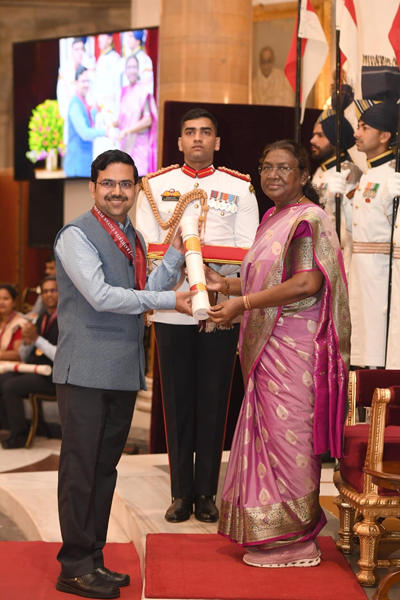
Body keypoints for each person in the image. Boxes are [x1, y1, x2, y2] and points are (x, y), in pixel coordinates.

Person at [53, 149, 194, 599]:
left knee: (104, 470)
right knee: (80, 471)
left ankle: (92, 558)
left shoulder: (133, 238)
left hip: (121, 371)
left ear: (135, 189)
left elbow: (143, 292)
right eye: (108, 183)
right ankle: (74, 565)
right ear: (93, 187)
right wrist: (171, 301)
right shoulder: (76, 235)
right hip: (84, 371)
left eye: (126, 184)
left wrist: (174, 255)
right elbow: (101, 296)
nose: (117, 192)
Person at [204, 140, 350, 568]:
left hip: (294, 349)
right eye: (267, 167)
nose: (273, 175)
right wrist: (225, 285)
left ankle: (298, 541)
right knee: (268, 436)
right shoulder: (272, 217)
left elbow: (306, 284)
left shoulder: (306, 220)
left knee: (290, 439)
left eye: (284, 168)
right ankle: (271, 533)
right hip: (269, 345)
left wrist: (243, 305)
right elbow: (265, 282)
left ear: (303, 174)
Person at [135, 108, 259, 524]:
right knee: (176, 401)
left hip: (220, 306)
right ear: (179, 141)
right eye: (190, 132)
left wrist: (211, 276)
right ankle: (179, 493)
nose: (198, 139)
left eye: (206, 132)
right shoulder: (155, 186)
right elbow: (148, 248)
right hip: (173, 304)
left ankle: (206, 492)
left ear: (217, 141)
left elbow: (249, 250)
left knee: (213, 399)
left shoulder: (238, 187)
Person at [328, 99, 398, 367]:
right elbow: (355, 229)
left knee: (377, 344)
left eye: (364, 127)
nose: (356, 133)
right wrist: (342, 200)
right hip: (359, 269)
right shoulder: (368, 175)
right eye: (358, 126)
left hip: (381, 272)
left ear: (385, 135)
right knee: (360, 340)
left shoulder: (392, 175)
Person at [0, 276, 59, 449]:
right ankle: (6, 426)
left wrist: (36, 339)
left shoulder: (66, 318)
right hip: (35, 369)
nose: (49, 295)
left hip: (54, 375)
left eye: (53, 290)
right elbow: (25, 356)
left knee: (11, 386)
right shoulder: (41, 318)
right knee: (3, 378)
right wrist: (27, 342)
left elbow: (60, 355)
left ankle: (20, 436)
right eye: (45, 291)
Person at [310, 108, 361, 273]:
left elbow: (352, 219)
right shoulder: (320, 172)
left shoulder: (349, 172)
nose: (312, 140)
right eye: (314, 134)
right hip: (320, 250)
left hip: (340, 254)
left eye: (320, 135)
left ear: (335, 140)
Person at [116, 55, 157, 176]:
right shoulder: (124, 91)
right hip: (125, 146)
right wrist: (111, 123)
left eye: (134, 67)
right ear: (125, 71)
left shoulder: (143, 91)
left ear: (138, 70)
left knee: (138, 181)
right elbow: (122, 119)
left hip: (139, 147)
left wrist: (127, 131)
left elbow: (147, 120)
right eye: (129, 67)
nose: (132, 70)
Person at [64, 65, 107, 178]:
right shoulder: (75, 104)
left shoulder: (82, 101)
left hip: (83, 163)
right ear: (76, 83)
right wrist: (105, 132)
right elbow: (85, 133)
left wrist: (95, 110)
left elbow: (88, 122)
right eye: (83, 81)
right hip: (76, 165)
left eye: (88, 81)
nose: (86, 85)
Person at [0, 285, 25, 362]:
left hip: (12, 366)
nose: (1, 302)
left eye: (6, 299)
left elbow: (18, 354)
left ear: (14, 302)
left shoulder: (20, 323)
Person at [29, 253, 57, 318]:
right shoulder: (46, 284)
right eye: (46, 268)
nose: (47, 271)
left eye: (51, 268)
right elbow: (36, 311)